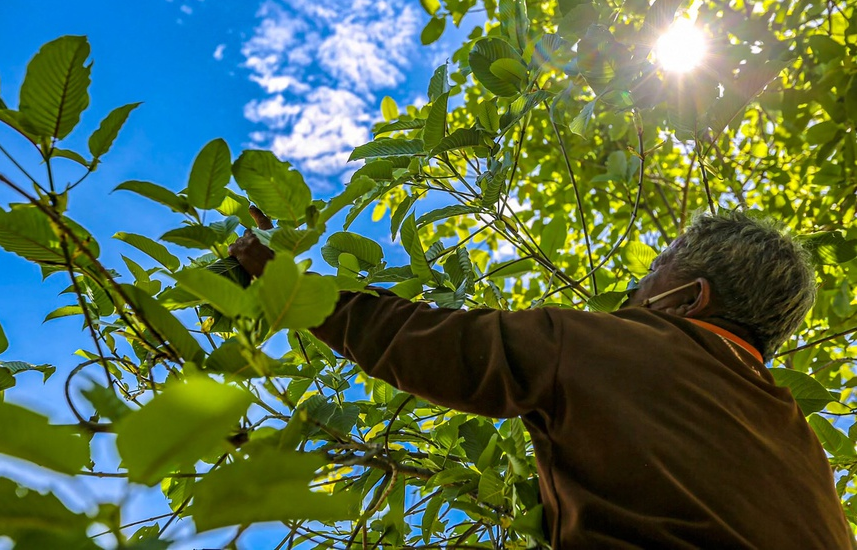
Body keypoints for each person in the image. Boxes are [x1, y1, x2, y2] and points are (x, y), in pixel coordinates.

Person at [230, 208, 853, 549]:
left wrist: (284, 282)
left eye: (654, 271)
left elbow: (425, 342)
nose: (633, 291)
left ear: (689, 297)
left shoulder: (609, 343)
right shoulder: (801, 444)